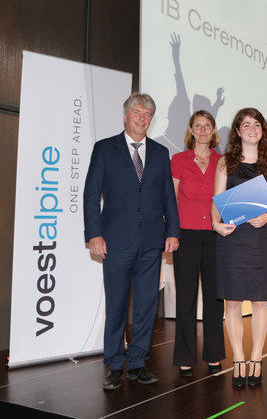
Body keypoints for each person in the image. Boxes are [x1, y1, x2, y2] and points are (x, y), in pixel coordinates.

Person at [83, 92, 180, 390]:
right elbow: (90, 195)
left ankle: (137, 363)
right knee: (116, 305)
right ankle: (114, 364)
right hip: (115, 242)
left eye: (148, 114)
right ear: (125, 116)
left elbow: (168, 198)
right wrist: (93, 235)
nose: (142, 118)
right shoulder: (104, 149)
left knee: (147, 306)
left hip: (151, 242)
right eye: (137, 112)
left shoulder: (161, 153)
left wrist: (173, 232)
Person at [211, 108, 267, 387]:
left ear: (262, 130)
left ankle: (256, 357)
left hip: (259, 237)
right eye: (246, 124)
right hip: (231, 238)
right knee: (232, 301)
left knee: (259, 300)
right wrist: (215, 224)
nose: (252, 128)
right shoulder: (225, 163)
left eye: (257, 124)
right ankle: (239, 359)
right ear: (238, 131)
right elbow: (216, 198)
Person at [170, 110, 225, 377]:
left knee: (215, 297)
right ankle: (185, 357)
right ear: (191, 130)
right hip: (186, 234)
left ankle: (214, 355)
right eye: (198, 125)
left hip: (215, 234)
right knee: (186, 297)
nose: (203, 130)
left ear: (214, 131)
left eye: (207, 125)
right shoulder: (178, 160)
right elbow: (171, 198)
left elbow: (226, 196)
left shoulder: (222, 161)